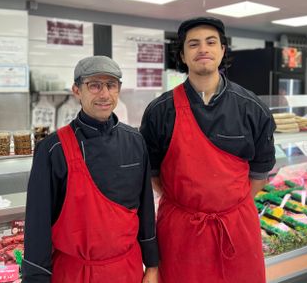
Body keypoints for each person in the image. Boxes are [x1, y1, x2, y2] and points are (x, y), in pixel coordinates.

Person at [140, 17, 276, 283]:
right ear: (182, 55)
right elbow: (153, 176)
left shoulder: (252, 108)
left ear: (223, 50)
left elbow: (259, 175)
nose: (203, 49)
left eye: (211, 42)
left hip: (236, 228)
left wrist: (224, 205)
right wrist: (193, 204)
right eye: (193, 44)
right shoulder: (159, 111)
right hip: (181, 231)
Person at [23, 56, 159, 283]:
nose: (104, 94)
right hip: (76, 274)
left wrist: (152, 265)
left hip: (128, 270)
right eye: (94, 85)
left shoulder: (135, 141)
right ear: (77, 91)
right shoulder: (52, 149)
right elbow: (37, 227)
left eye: (111, 85)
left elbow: (145, 209)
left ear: (119, 90)